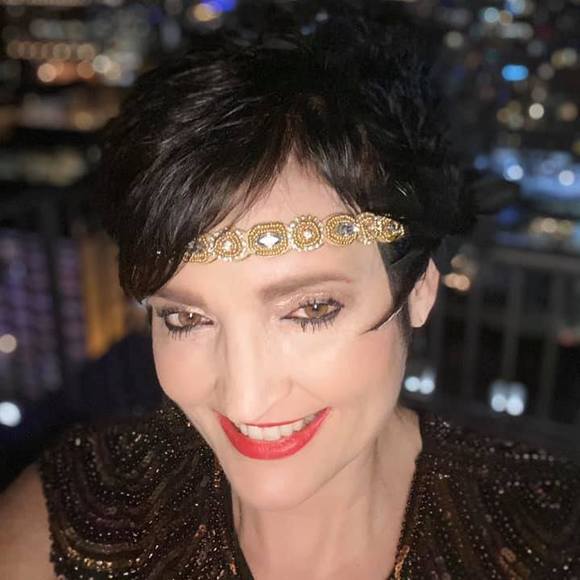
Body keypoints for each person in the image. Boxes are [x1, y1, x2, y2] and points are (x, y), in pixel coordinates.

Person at [1, 17, 579, 580]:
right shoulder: (70, 516)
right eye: (186, 317)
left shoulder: (548, 537)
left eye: (310, 311)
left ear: (420, 288)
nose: (246, 399)